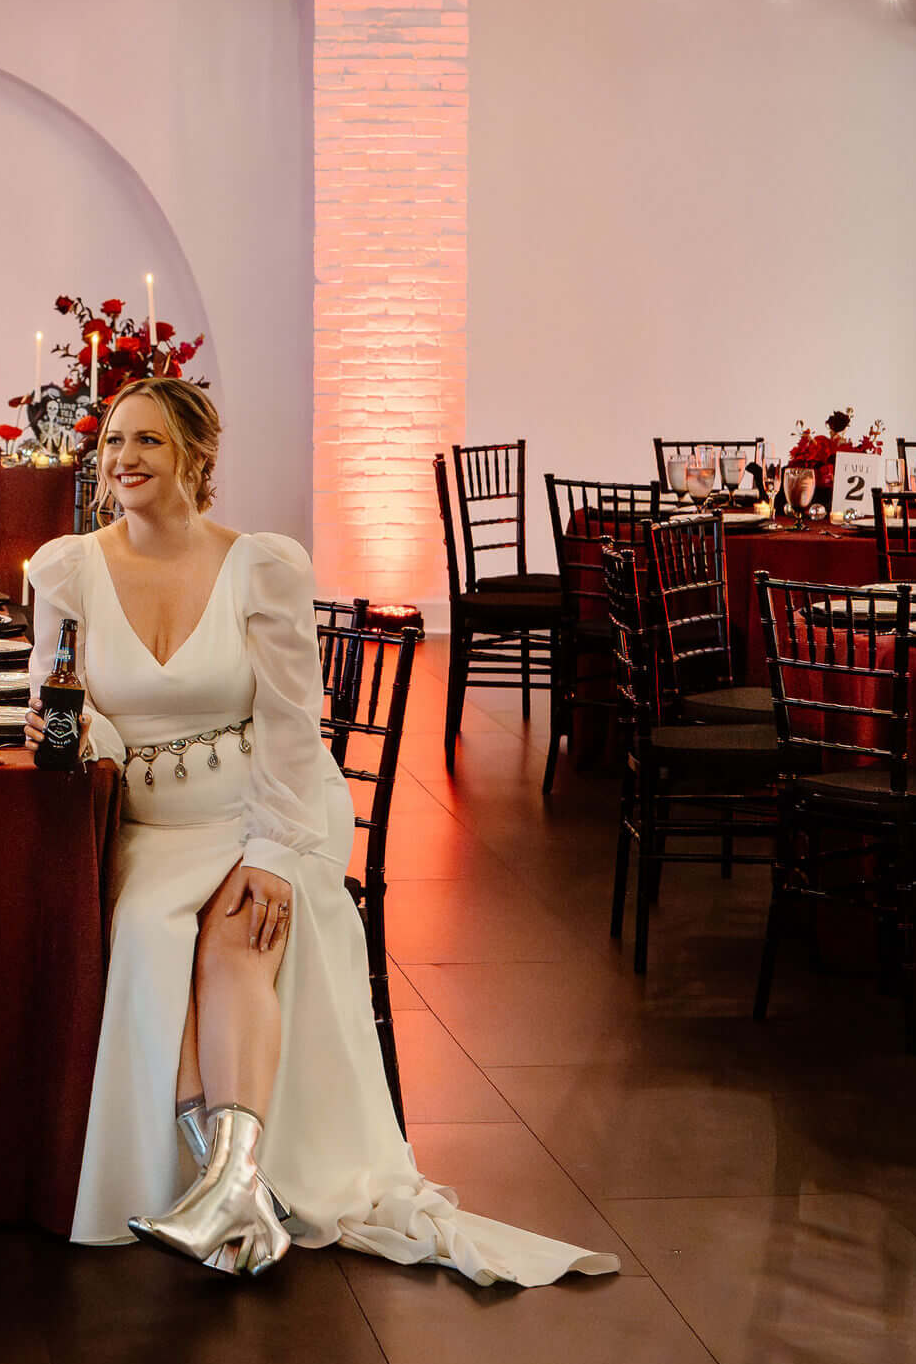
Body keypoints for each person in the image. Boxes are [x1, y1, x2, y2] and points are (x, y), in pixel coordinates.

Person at [30, 377, 616, 1286]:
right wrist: (68, 732)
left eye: (147, 440)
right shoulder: (67, 570)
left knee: (236, 938)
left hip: (262, 809)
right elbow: (68, 703)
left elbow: (291, 724)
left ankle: (230, 1188)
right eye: (112, 440)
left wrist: (272, 851)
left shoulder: (257, 566)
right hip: (150, 827)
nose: (123, 458)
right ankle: (232, 1193)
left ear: (194, 456)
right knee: (147, 932)